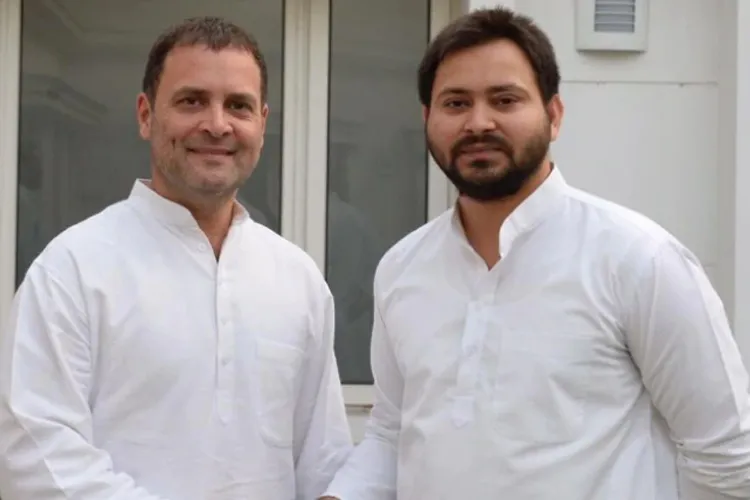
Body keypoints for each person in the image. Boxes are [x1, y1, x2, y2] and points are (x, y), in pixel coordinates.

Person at [321, 6, 750, 500]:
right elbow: (392, 435)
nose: (478, 122)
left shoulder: (637, 259)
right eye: (456, 103)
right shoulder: (402, 268)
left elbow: (727, 458)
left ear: (554, 115)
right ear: (427, 119)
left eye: (505, 99)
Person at [0, 16, 352, 500]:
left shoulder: (297, 278)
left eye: (238, 105)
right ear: (146, 115)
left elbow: (323, 457)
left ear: (262, 124)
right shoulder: (73, 269)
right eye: (192, 101)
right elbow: (37, 457)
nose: (217, 124)